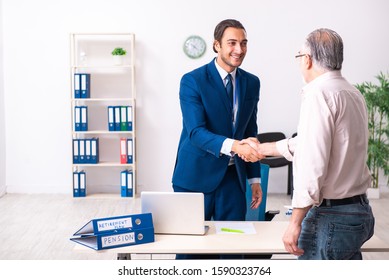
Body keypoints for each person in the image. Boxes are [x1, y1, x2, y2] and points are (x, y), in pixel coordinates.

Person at [242, 28, 375, 260]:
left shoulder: (317, 93)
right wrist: (264, 149)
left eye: (299, 56)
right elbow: (314, 143)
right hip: (359, 212)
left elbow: (312, 162)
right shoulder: (352, 92)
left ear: (307, 59)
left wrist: (295, 222)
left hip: (332, 217)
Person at [172, 19, 264, 259]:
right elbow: (195, 132)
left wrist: (255, 178)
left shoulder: (252, 83)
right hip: (194, 178)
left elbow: (250, 131)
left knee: (233, 249)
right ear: (216, 45)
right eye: (232, 43)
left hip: (233, 178)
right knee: (191, 253)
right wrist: (234, 146)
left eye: (244, 43)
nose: (239, 49)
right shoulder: (192, 80)